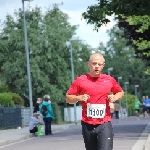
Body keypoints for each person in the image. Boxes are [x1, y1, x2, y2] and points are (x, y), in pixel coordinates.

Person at [66, 52, 124, 150]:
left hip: (104, 122)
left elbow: (120, 92)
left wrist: (114, 97)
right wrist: (79, 98)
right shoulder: (80, 80)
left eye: (99, 64)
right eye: (94, 63)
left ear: (103, 66)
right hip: (87, 123)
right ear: (89, 64)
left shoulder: (109, 79)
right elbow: (68, 98)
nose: (96, 66)